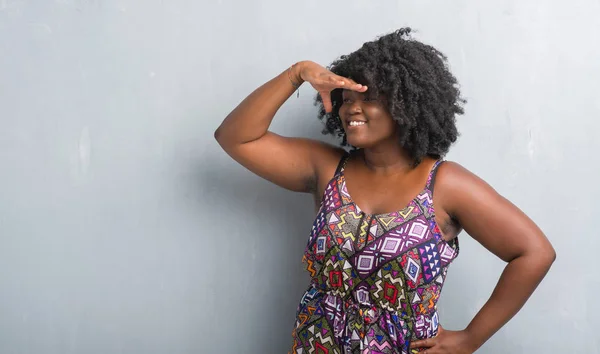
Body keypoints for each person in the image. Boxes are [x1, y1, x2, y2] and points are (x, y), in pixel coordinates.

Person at [214, 28, 555, 354]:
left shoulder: (445, 184)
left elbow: (534, 252)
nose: (351, 109)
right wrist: (297, 72)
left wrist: (469, 339)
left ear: (406, 103)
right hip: (317, 343)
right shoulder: (328, 169)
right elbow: (236, 137)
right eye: (346, 99)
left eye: (370, 99)